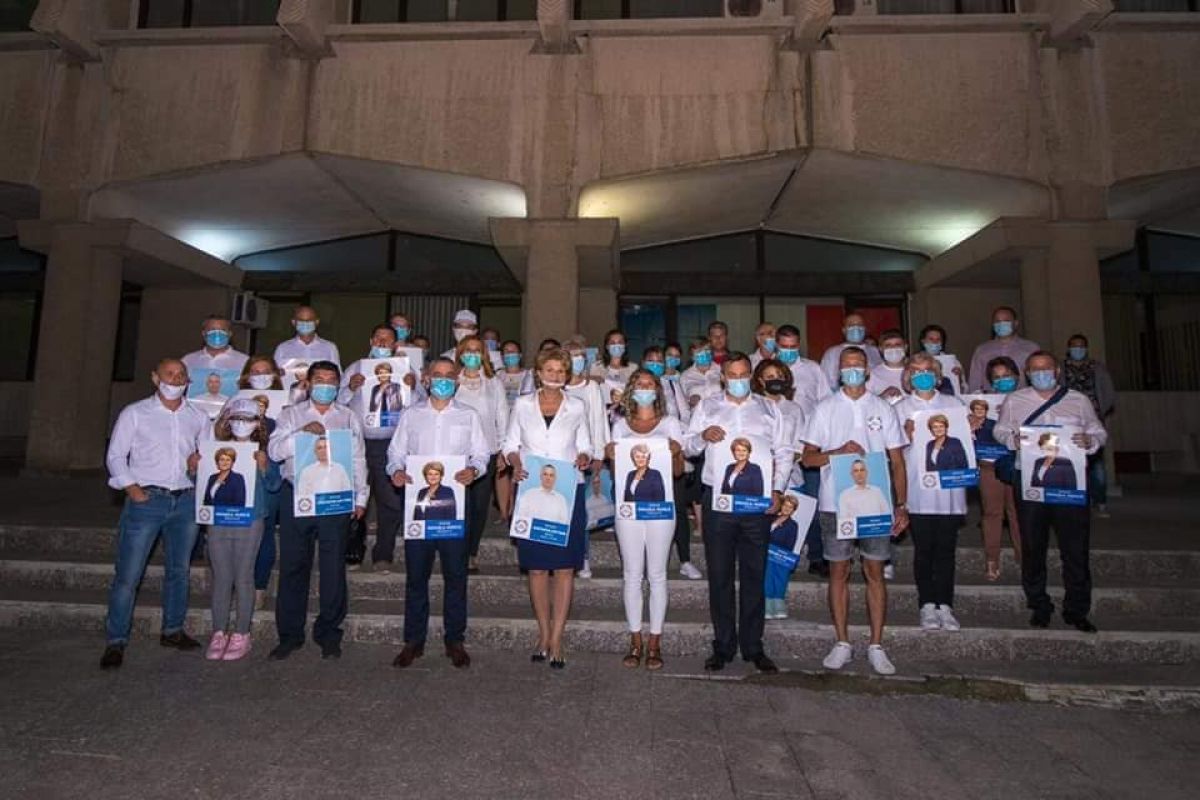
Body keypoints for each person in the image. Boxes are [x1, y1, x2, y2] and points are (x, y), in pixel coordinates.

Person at [801, 346, 908, 676]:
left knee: (875, 572)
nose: (852, 370)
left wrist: (901, 505)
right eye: (846, 366)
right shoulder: (825, 408)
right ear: (838, 372)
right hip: (835, 504)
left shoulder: (883, 408)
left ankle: (876, 644)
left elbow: (897, 461)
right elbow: (808, 458)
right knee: (839, 572)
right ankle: (842, 642)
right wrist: (836, 452)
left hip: (876, 503)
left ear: (867, 370)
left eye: (858, 365)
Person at [685, 352, 792, 674]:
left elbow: (784, 451)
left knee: (753, 574)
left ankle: (753, 646)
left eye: (744, 374)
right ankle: (723, 646)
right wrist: (703, 436)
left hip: (757, 504)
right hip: (718, 503)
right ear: (723, 377)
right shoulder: (707, 406)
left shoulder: (769, 408)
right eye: (732, 375)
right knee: (719, 576)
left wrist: (778, 489)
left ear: (752, 376)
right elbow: (688, 447)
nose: (738, 380)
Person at [100, 358, 208, 669]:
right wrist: (132, 489)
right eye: (169, 374)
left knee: (179, 570)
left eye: (181, 374)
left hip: (185, 500)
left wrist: (198, 463)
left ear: (188, 381)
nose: (175, 379)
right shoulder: (135, 413)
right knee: (128, 574)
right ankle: (116, 640)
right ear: (155, 377)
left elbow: (206, 455)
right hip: (148, 500)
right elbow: (116, 455)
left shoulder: (198, 416)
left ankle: (172, 630)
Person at [388, 357, 490, 669]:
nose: (443, 380)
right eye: (437, 375)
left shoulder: (469, 415)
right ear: (427, 379)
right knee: (416, 576)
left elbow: (482, 454)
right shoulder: (411, 414)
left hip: (453, 505)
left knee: (456, 575)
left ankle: (454, 639)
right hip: (418, 506)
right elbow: (395, 453)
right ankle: (413, 640)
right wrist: (396, 471)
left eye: (449, 375)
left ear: (457, 381)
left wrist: (474, 470)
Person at [994, 351, 1107, 633]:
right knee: (1033, 546)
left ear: (1056, 371)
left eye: (1045, 368)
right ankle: (1039, 605)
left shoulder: (1078, 400)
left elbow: (1098, 430)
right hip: (1031, 481)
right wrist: (1012, 439)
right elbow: (1000, 430)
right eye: (1034, 369)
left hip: (1070, 482)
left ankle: (1077, 609)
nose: (1041, 373)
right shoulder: (1015, 400)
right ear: (1027, 373)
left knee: (1075, 548)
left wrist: (1090, 441)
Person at [267, 361, 368, 661]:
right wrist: (302, 434)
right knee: (293, 567)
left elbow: (358, 458)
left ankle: (329, 633)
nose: (325, 385)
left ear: (338, 385)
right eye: (320, 379)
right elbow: (274, 452)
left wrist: (361, 497)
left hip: (335, 498)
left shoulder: (348, 416)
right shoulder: (290, 414)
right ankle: (289, 635)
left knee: (333, 567)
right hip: (297, 496)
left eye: (331, 380)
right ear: (308, 383)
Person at [502, 349, 593, 669]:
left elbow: (586, 444)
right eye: (549, 369)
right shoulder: (523, 405)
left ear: (567, 375)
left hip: (567, 489)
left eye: (561, 370)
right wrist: (515, 463)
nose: (555, 375)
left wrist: (584, 457)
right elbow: (510, 444)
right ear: (538, 373)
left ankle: (557, 637)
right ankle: (542, 633)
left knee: (565, 568)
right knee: (538, 568)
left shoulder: (577, 405)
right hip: (531, 489)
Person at [608, 369, 686, 670]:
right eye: (639, 384)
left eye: (649, 384)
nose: (644, 388)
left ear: (657, 390)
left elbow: (677, 473)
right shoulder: (619, 426)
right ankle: (635, 640)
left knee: (657, 575)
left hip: (660, 511)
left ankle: (655, 641)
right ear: (631, 389)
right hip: (628, 511)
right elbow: (619, 475)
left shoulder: (670, 423)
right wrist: (611, 455)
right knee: (631, 574)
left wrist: (676, 453)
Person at [204, 398, 280, 662]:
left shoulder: (263, 452)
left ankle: (241, 633)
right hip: (218, 521)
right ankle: (218, 632)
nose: (241, 423)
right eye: (237, 418)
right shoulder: (214, 451)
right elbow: (201, 487)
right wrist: (194, 467)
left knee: (244, 576)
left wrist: (264, 467)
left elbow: (274, 485)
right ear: (228, 420)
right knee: (221, 577)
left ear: (257, 423)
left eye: (248, 419)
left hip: (250, 520)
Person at [896, 354, 967, 632]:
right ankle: (926, 604)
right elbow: (893, 452)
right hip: (917, 491)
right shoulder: (900, 408)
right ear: (908, 377)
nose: (922, 375)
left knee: (946, 551)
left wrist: (972, 428)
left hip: (950, 491)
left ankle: (945, 605)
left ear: (937, 375)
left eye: (927, 370)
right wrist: (905, 435)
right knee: (924, 550)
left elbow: (965, 448)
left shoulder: (953, 405)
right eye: (915, 371)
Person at [341, 325, 416, 573]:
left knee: (390, 501)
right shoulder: (355, 368)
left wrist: (413, 387)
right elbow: (336, 402)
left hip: (390, 443)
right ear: (371, 340)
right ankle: (353, 550)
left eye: (388, 339)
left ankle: (383, 553)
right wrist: (350, 388)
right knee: (354, 497)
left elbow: (420, 405)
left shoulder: (406, 369)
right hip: (357, 441)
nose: (383, 343)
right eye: (378, 338)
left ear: (396, 344)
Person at [644, 345, 702, 580]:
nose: (656, 364)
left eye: (660, 360)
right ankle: (651, 561)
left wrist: (680, 439)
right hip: (644, 457)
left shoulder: (672, 385)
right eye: (651, 360)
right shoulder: (637, 386)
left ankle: (685, 560)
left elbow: (685, 416)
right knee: (650, 511)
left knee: (678, 508)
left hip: (672, 455)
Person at [453, 335, 509, 573]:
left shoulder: (493, 383)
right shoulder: (451, 380)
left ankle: (471, 552)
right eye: (468, 350)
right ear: (460, 354)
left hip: (486, 452)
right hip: (456, 453)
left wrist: (504, 449)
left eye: (477, 350)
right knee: (459, 506)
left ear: (484, 354)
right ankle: (456, 551)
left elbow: (502, 415)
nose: (472, 354)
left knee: (478, 506)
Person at [234, 356, 284, 605]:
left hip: (268, 479)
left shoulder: (284, 412)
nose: (261, 375)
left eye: (266, 371)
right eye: (255, 371)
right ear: (246, 376)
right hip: (238, 477)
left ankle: (259, 587)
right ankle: (234, 584)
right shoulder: (232, 407)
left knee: (264, 533)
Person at [974, 355, 1023, 580]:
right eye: (997, 377)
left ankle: (1024, 559)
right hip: (989, 465)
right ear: (990, 380)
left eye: (1007, 376)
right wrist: (971, 424)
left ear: (1017, 376)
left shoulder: (1027, 400)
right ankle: (991, 560)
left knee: (1018, 513)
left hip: (1018, 463)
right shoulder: (979, 403)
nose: (1003, 380)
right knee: (992, 512)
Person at [564, 339, 610, 579]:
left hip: (587, 456)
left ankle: (583, 558)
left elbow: (599, 420)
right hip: (561, 457)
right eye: (572, 356)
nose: (578, 360)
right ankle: (563, 556)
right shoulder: (557, 387)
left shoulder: (591, 387)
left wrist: (600, 454)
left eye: (581, 355)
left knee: (582, 511)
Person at [1062, 333, 1116, 517]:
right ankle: (1075, 500)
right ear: (1068, 348)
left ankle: (1100, 501)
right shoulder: (1061, 369)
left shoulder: (1098, 368)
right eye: (1074, 346)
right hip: (1067, 422)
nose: (1077, 349)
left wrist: (1098, 411)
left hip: (1092, 420)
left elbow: (1108, 394)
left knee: (1097, 464)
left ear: (1086, 348)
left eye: (1081, 346)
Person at [967, 306, 1040, 391]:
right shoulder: (982, 350)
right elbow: (974, 382)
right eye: (997, 321)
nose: (1001, 324)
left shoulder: (1030, 348)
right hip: (991, 398)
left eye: (1006, 321)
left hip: (1022, 397)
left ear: (1015, 323)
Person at [774, 324, 830, 413]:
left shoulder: (813, 368)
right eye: (784, 346)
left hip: (809, 421)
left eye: (793, 347)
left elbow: (826, 400)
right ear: (777, 345)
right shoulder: (767, 370)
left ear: (799, 345)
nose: (789, 351)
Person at [819, 312, 882, 389]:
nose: (856, 327)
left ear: (865, 329)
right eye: (851, 325)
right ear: (844, 330)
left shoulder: (875, 351)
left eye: (860, 325)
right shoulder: (832, 353)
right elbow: (824, 382)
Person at [272, 305, 341, 375]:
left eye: (309, 320)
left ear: (316, 322)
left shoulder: (330, 348)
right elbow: (274, 375)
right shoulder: (282, 348)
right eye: (301, 320)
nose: (305, 323)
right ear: (294, 322)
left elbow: (338, 375)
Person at [764, 494, 801, 620]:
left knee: (781, 579)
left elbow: (790, 543)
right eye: (785, 505)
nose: (787, 509)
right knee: (768, 577)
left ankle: (778, 602)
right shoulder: (770, 519)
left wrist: (780, 554)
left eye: (790, 507)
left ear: (793, 510)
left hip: (782, 556)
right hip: (767, 554)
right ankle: (768, 602)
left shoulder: (793, 525)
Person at [182, 314, 249, 376]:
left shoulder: (244, 361)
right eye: (212, 329)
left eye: (222, 330)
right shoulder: (188, 360)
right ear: (204, 333)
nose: (217, 334)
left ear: (230, 334)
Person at [589, 329, 637, 399]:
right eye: (612, 343)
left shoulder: (633, 368)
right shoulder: (596, 367)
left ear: (625, 345)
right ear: (607, 346)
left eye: (620, 342)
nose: (617, 345)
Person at [919, 324, 965, 394]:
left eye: (938, 339)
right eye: (931, 339)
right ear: (923, 341)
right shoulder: (915, 362)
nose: (935, 342)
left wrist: (959, 378)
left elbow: (963, 390)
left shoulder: (952, 361)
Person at [866, 329, 908, 402]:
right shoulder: (872, 374)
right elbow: (864, 403)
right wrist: (881, 397)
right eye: (888, 345)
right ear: (880, 349)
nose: (893, 348)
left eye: (897, 345)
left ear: (905, 347)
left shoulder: (915, 370)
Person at [680, 337, 722, 408]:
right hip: (697, 413)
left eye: (707, 350)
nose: (704, 354)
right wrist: (690, 401)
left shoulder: (720, 370)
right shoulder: (685, 376)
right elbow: (682, 403)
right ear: (692, 356)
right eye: (699, 351)